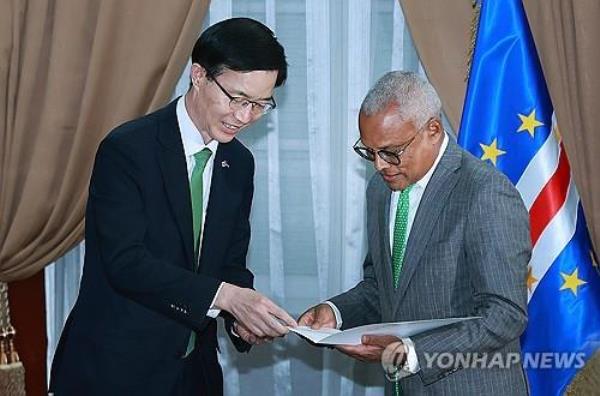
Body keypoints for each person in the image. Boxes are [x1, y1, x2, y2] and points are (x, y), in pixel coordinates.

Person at [49, 18, 297, 396]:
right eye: (238, 99)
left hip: (193, 375)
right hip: (115, 370)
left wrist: (241, 319)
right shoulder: (128, 149)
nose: (245, 117)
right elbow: (125, 263)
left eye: (261, 105)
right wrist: (226, 297)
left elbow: (229, 263)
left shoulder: (239, 164)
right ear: (198, 75)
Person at [299, 71, 530, 395]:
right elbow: (384, 288)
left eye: (391, 152)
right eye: (369, 152)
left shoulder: (484, 193)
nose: (380, 165)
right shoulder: (380, 191)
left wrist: (412, 354)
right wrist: (336, 313)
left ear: (432, 130)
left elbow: (505, 314)